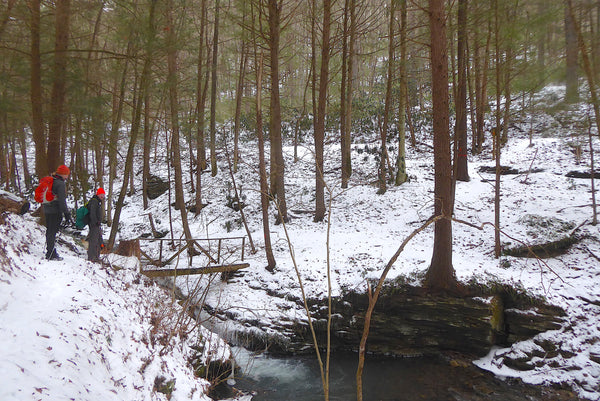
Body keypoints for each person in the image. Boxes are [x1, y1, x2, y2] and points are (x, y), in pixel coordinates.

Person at [44, 164, 71, 261]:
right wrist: (67, 214)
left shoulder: (50, 180)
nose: (67, 176)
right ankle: (51, 253)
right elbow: (62, 201)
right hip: (55, 210)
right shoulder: (60, 184)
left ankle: (50, 250)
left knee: (49, 231)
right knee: (52, 232)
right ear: (63, 174)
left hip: (47, 209)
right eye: (67, 174)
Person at [87, 187, 105, 262]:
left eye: (103, 195)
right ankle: (92, 257)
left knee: (97, 241)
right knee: (93, 241)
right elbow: (92, 213)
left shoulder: (97, 202)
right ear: (98, 194)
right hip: (94, 224)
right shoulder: (94, 202)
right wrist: (95, 222)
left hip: (96, 224)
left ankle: (96, 256)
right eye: (101, 195)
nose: (102, 197)